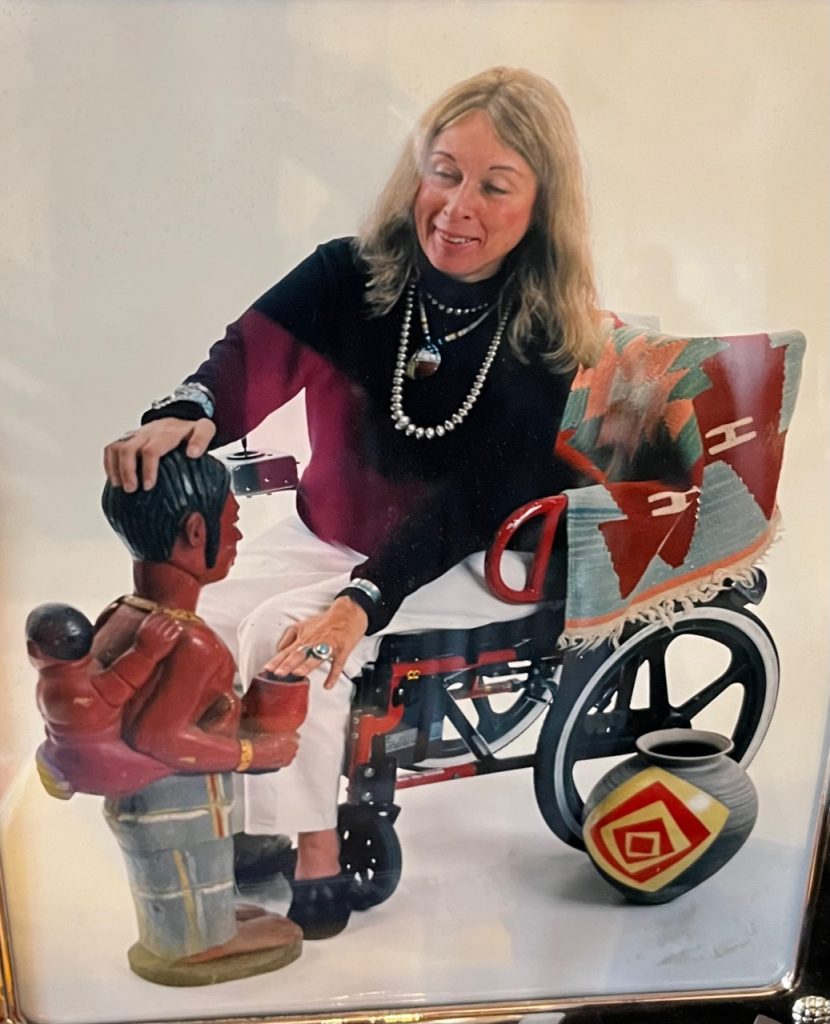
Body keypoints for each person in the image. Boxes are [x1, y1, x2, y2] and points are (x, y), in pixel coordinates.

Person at [103, 66, 605, 939]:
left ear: (540, 205)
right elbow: (249, 356)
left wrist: (358, 602)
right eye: (445, 171)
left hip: (474, 554)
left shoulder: (546, 336)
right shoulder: (350, 272)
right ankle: (249, 826)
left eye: (496, 185)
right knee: (202, 619)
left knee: (290, 643)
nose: (458, 206)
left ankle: (319, 858)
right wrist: (188, 412)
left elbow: (470, 505)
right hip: (324, 527)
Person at [39, 449, 303, 984]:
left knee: (188, 877)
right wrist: (255, 752)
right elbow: (161, 737)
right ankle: (194, 949)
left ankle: (207, 927)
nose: (239, 537)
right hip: (176, 806)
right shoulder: (191, 641)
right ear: (194, 531)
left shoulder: (122, 612)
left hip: (145, 805)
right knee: (189, 874)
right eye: (233, 523)